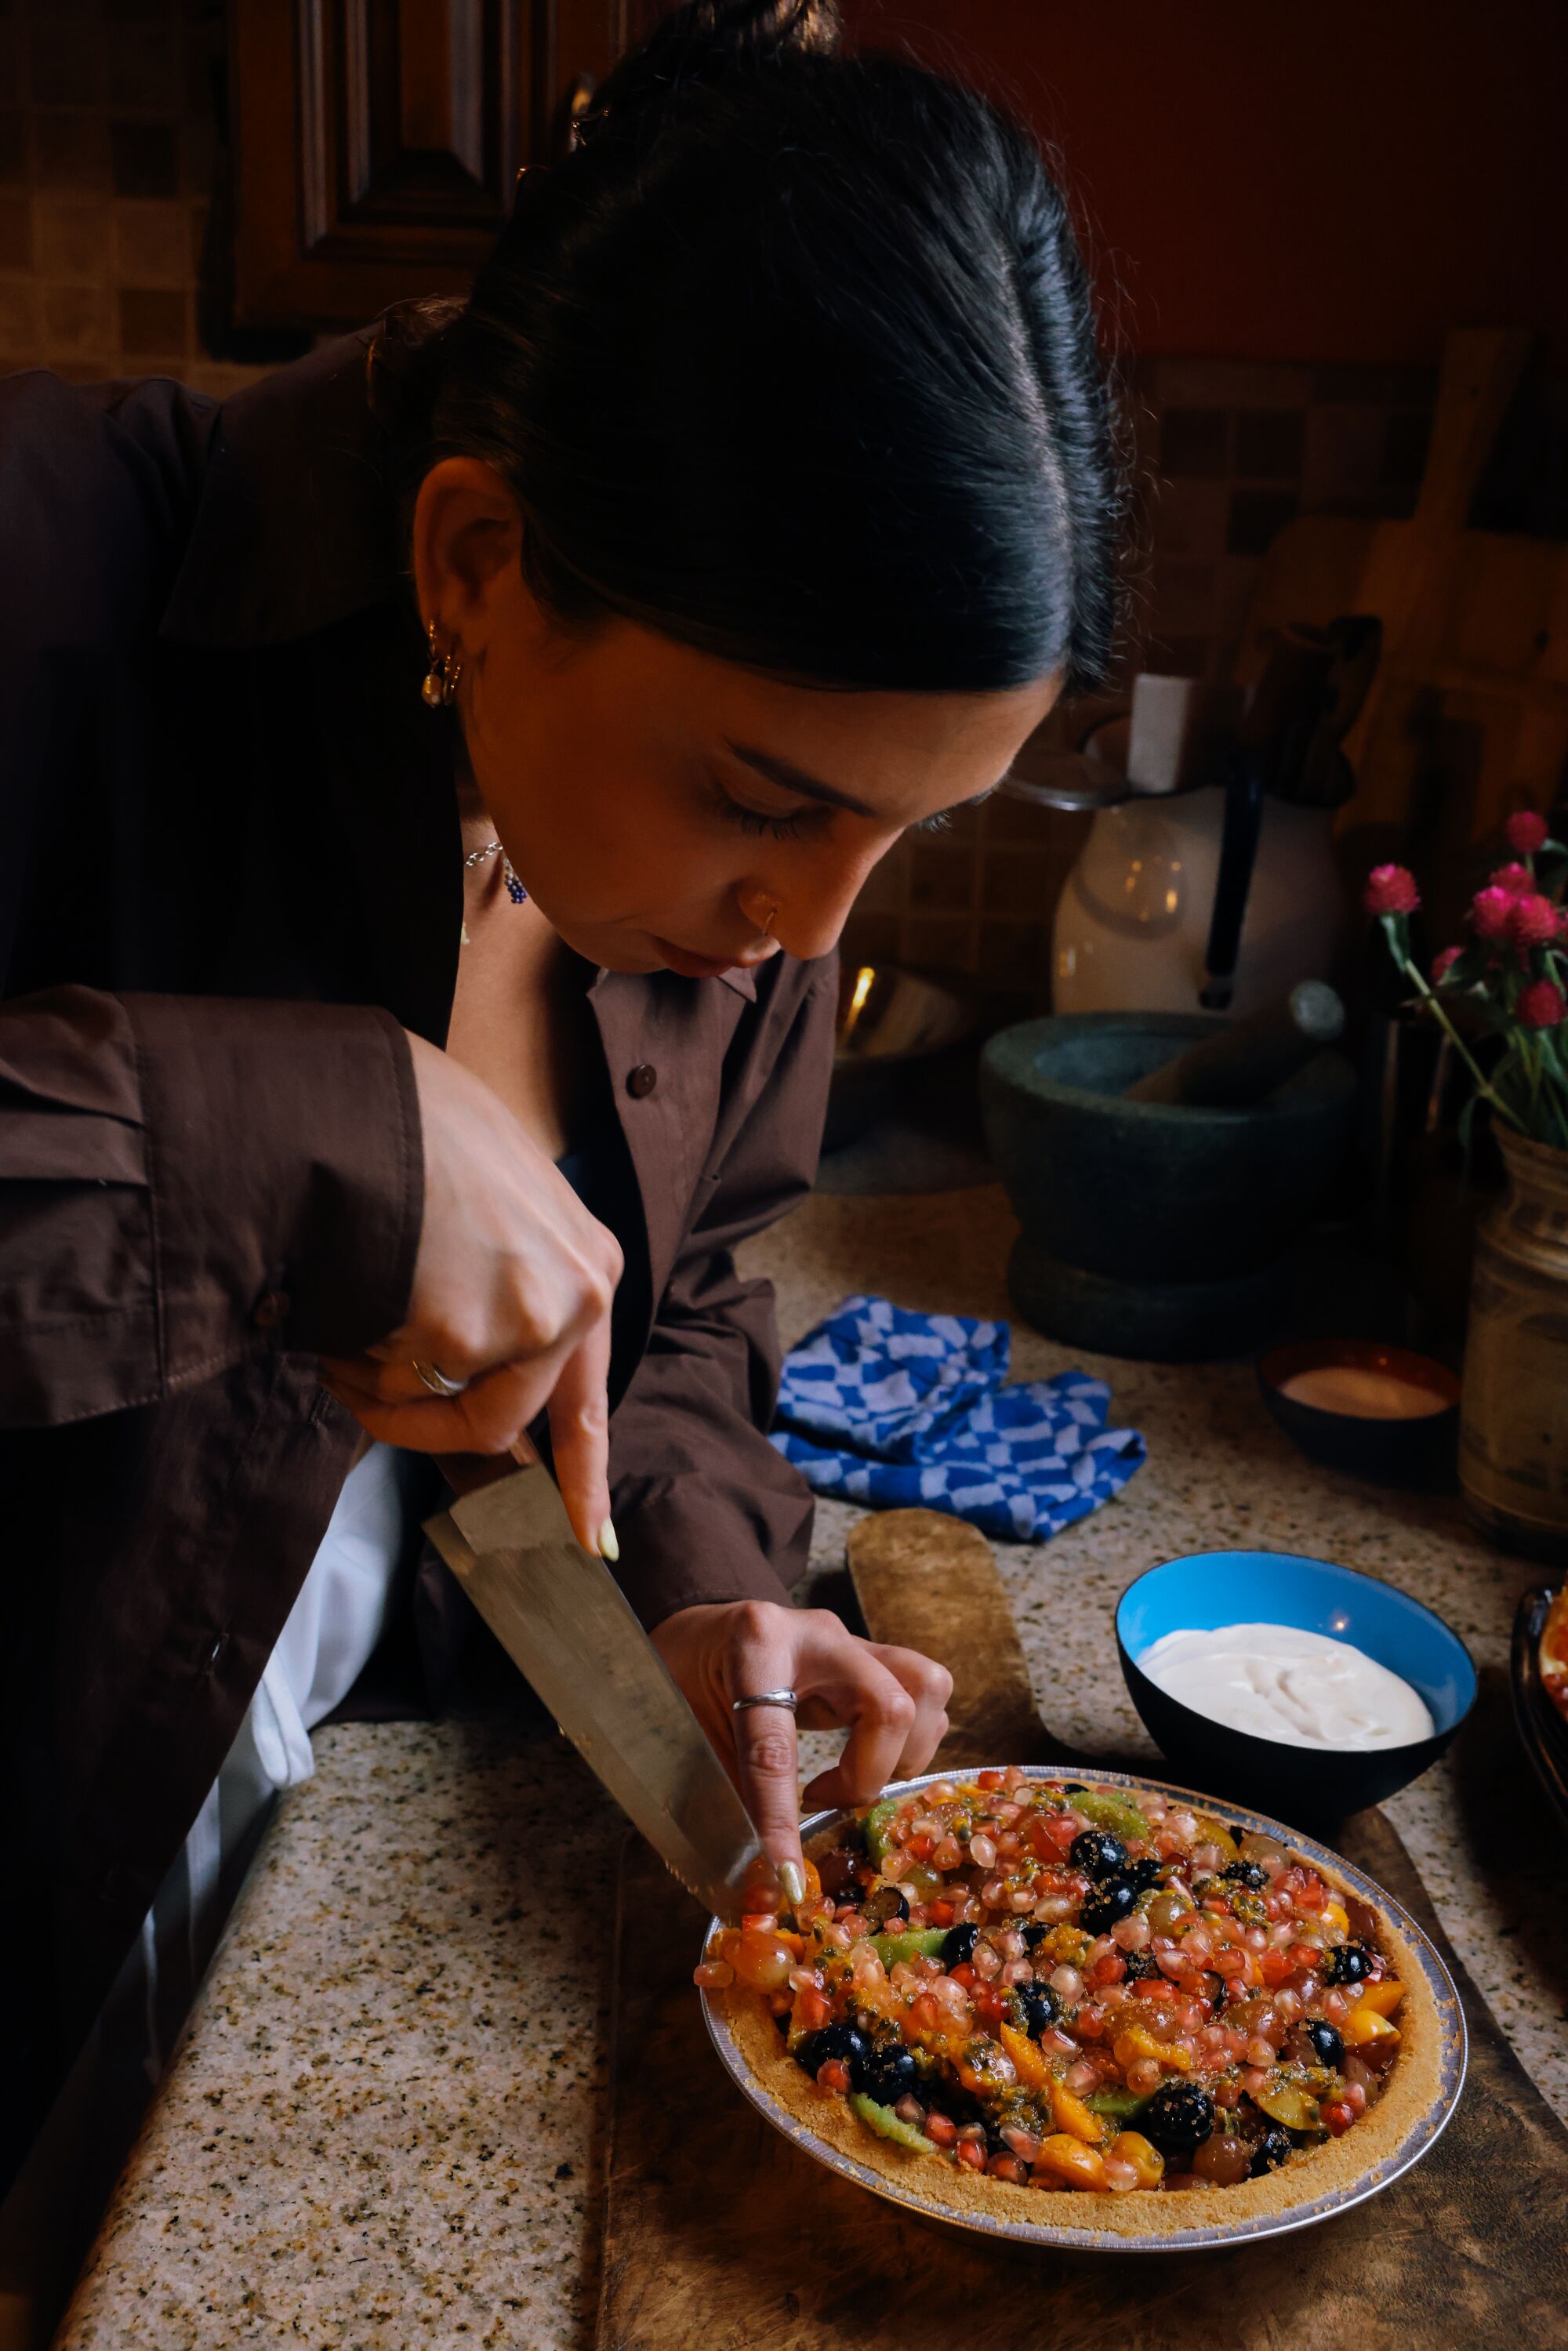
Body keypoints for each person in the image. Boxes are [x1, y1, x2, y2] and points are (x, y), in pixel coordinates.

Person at [0, 0, 1123, 2189]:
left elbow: (678, 1301)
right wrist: (307, 1135)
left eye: (904, 834)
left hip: (278, 1831)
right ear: (476, 565)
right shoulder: (46, 571)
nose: (814, 930)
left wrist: (701, 1595)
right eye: (768, 802)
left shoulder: (758, 909)